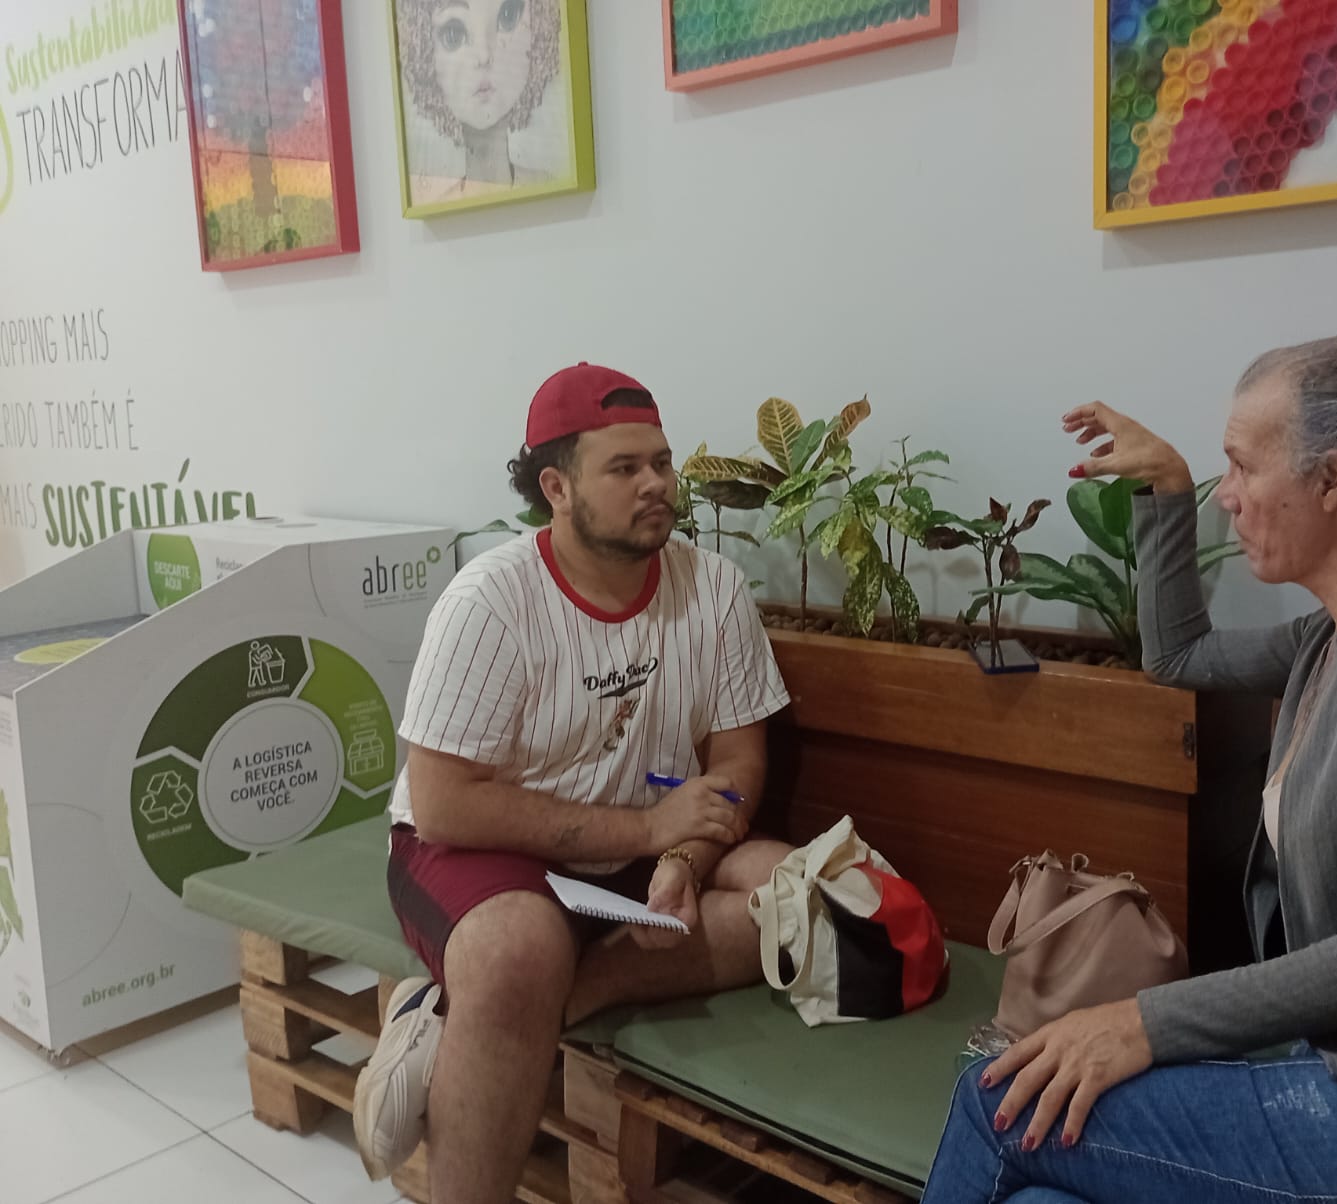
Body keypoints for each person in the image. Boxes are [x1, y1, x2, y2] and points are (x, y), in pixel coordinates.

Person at [924, 337, 1337, 1203]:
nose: (1230, 495)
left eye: (1242, 466)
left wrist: (1142, 1022)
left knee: (1001, 1106)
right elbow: (1177, 656)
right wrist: (1166, 488)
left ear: (1332, 480)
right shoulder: (1334, 634)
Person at [352, 363, 792, 1204]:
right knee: (519, 950)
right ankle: (508, 1000)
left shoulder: (714, 589)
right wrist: (650, 833)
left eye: (660, 462)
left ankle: (477, 1011)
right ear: (555, 487)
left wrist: (684, 861)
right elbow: (444, 806)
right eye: (624, 468)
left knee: (797, 892)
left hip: (643, 850)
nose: (655, 484)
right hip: (483, 848)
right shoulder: (489, 601)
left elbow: (738, 767)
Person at [397, 0, 561, 200]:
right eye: (453, 34)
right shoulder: (440, 207)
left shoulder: (550, 188)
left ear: (539, 26)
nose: (484, 56)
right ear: (424, 52)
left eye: (508, 16)